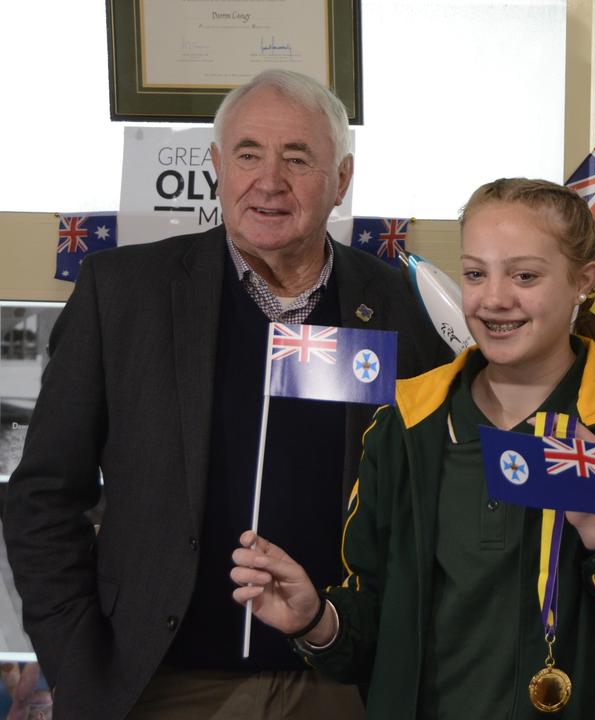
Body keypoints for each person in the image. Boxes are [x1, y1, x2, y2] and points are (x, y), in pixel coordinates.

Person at [1, 69, 451, 719]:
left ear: (343, 180)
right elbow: (42, 497)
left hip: (341, 686)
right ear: (216, 166)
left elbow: (429, 511)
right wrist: (81, 668)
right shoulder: (124, 294)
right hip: (162, 685)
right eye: (248, 155)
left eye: (298, 158)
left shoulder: (399, 313)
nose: (269, 181)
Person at [230, 179, 595, 717]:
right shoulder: (405, 424)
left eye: (525, 275)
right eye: (475, 274)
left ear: (584, 281)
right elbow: (369, 636)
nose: (495, 299)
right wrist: (314, 620)